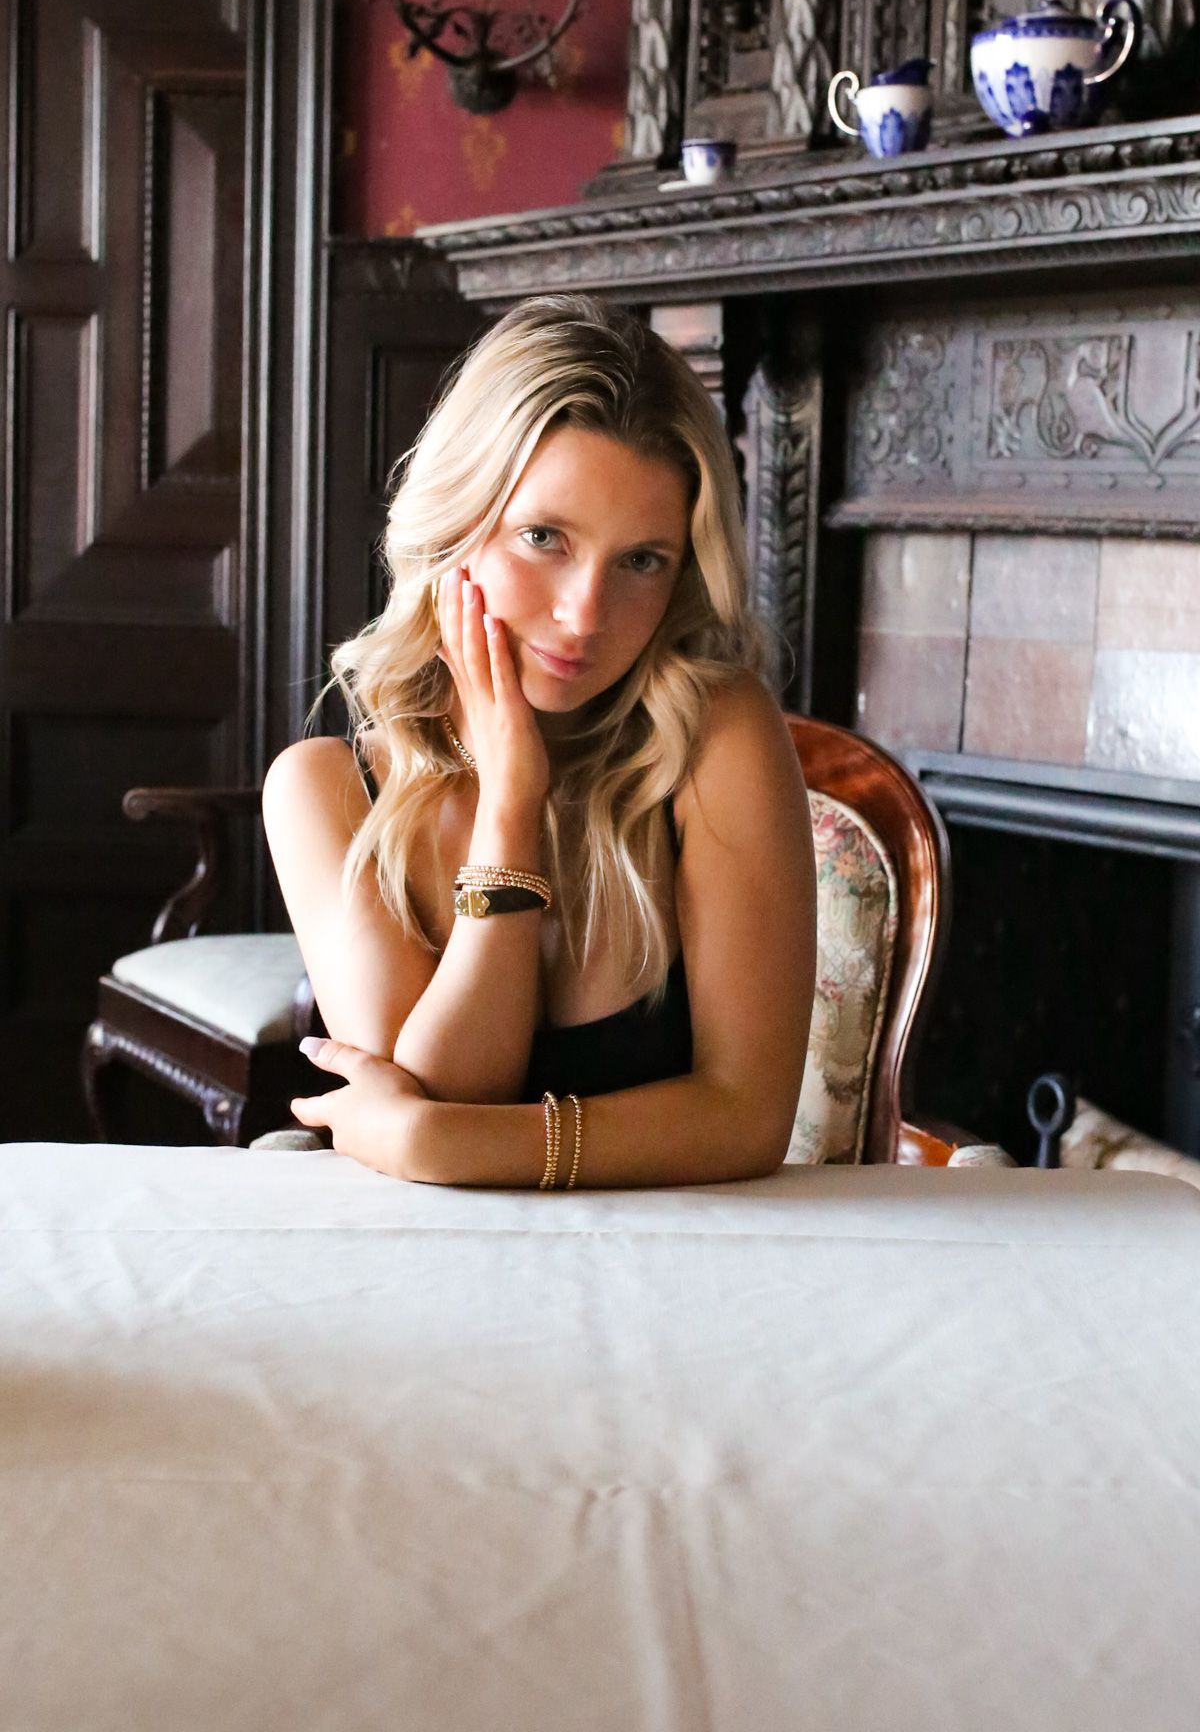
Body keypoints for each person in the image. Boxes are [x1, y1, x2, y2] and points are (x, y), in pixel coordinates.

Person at [262, 293, 816, 1189]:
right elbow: (452, 1087)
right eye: (544, 537)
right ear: (457, 524)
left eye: (642, 560)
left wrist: (436, 1142)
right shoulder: (324, 791)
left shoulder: (714, 735)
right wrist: (511, 808)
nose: (584, 616)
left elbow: (746, 1119)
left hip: (676, 1286)